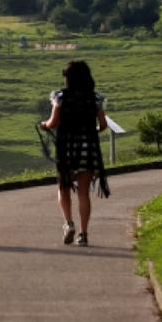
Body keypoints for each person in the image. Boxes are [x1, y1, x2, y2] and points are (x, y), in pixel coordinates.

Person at [40, 60, 110, 247]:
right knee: (83, 193)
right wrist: (90, 131)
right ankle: (83, 234)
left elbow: (53, 123)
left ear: (68, 78)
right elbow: (103, 125)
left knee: (63, 187)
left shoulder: (60, 97)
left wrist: (44, 125)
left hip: (66, 147)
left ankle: (69, 223)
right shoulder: (95, 99)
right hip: (88, 147)